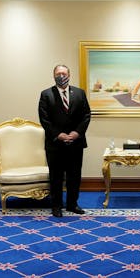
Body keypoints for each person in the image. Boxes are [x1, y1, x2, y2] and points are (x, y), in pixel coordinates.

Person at [38, 64, 91, 217]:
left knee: (74, 176)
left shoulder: (80, 93)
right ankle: (56, 206)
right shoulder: (46, 94)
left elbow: (86, 115)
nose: (61, 76)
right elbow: (44, 119)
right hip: (55, 144)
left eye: (64, 73)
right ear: (53, 75)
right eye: (58, 73)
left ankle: (72, 204)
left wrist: (77, 133)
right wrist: (58, 134)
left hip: (76, 143)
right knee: (56, 177)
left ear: (69, 74)